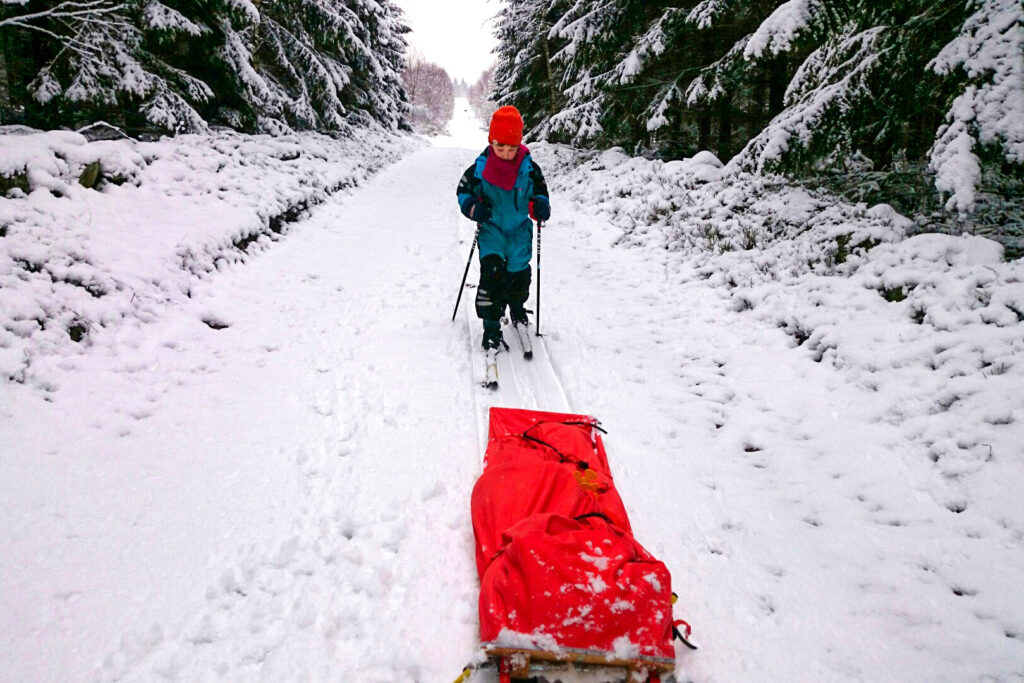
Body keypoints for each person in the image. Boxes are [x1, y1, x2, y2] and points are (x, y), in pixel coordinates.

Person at [456, 106, 551, 351]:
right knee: (493, 276)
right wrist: (474, 209)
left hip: (520, 231)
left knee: (519, 275)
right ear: (491, 142)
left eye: (511, 148)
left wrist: (540, 204)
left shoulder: (529, 168)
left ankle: (517, 309)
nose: (506, 153)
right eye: (500, 148)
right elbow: (463, 191)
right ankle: (490, 327)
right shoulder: (480, 168)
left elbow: (540, 191)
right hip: (492, 231)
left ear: (519, 144)